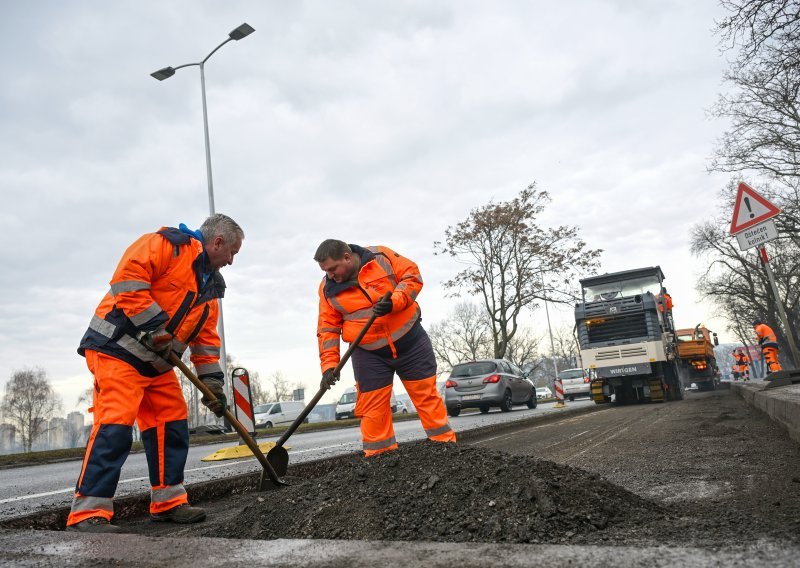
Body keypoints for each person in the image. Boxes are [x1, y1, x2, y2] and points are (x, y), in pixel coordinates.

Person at [66, 214, 244, 533]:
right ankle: (88, 513)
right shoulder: (168, 246)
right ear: (217, 242)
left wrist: (213, 385)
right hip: (116, 349)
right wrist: (152, 327)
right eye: (232, 252)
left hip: (157, 364)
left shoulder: (211, 289)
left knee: (172, 423)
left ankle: (168, 502)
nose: (231, 261)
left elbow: (205, 341)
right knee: (116, 425)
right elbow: (128, 279)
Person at [314, 239, 456, 457]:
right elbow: (327, 329)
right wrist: (329, 366)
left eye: (333, 269)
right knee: (373, 411)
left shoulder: (381, 257)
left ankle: (446, 450)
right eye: (325, 271)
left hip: (410, 342)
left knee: (426, 397)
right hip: (368, 353)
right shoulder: (327, 290)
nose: (330, 275)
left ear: (347, 256)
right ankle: (380, 463)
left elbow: (412, 276)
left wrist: (394, 302)